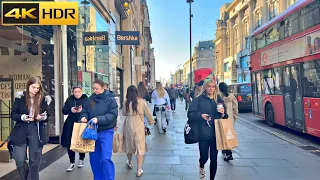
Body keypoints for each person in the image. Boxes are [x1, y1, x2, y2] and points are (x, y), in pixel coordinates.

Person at [10, 77, 52, 180]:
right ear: (28, 86)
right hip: (21, 129)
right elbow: (13, 114)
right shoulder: (20, 98)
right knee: (19, 159)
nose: (35, 90)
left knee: (35, 160)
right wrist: (23, 117)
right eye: (33, 87)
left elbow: (48, 115)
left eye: (37, 88)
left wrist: (42, 117)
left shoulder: (42, 99)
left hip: (36, 129)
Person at [188, 79, 228, 180]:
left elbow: (225, 115)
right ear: (205, 87)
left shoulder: (218, 99)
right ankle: (201, 166)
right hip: (203, 133)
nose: (211, 88)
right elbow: (190, 114)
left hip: (216, 133)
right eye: (209, 86)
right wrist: (201, 116)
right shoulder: (198, 99)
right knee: (204, 157)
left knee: (214, 159)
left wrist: (223, 113)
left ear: (215, 88)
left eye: (213, 86)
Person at [80, 79, 118, 180]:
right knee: (94, 159)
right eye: (94, 89)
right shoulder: (91, 99)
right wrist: (83, 116)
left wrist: (99, 119)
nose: (95, 91)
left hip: (106, 131)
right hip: (92, 132)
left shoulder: (110, 99)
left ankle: (109, 178)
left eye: (97, 89)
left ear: (103, 87)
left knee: (105, 158)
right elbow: (85, 110)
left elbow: (113, 115)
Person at [122, 85, 154, 177]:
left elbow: (124, 113)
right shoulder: (142, 102)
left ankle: (130, 162)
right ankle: (139, 169)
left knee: (129, 143)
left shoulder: (126, 102)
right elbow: (148, 113)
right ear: (136, 92)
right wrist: (151, 121)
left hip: (128, 124)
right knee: (140, 146)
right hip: (139, 125)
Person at [61, 86, 88, 171]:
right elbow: (64, 110)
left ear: (82, 91)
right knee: (69, 142)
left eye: (79, 91)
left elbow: (90, 110)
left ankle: (81, 158)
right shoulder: (69, 99)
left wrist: (82, 110)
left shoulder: (86, 99)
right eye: (75, 92)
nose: (77, 93)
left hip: (82, 122)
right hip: (70, 123)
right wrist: (71, 110)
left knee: (81, 141)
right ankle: (71, 162)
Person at [218, 82, 238, 161]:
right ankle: (226, 150)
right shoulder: (232, 96)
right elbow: (235, 108)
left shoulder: (220, 97)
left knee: (224, 136)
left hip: (223, 118)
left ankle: (228, 154)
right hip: (230, 119)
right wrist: (234, 117)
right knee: (228, 135)